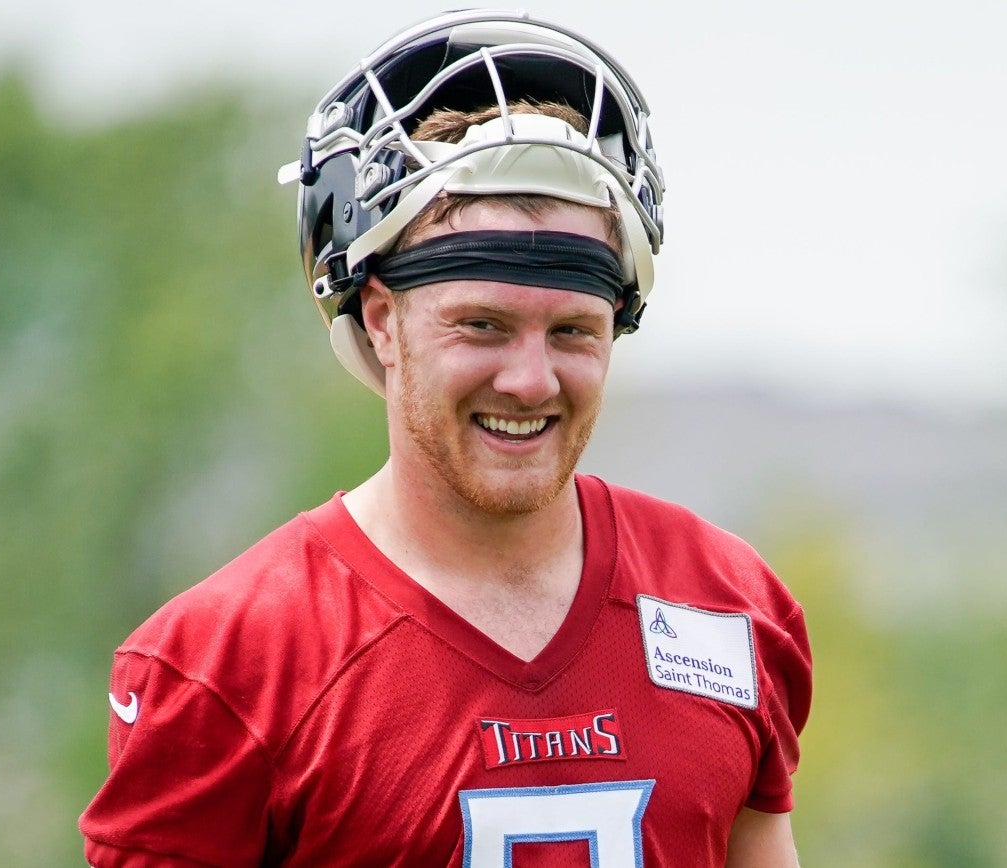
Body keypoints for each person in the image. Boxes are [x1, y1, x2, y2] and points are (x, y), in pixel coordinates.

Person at [80, 10, 812, 867]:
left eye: (574, 332)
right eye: (483, 325)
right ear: (382, 320)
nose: (531, 379)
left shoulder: (728, 604)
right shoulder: (225, 665)